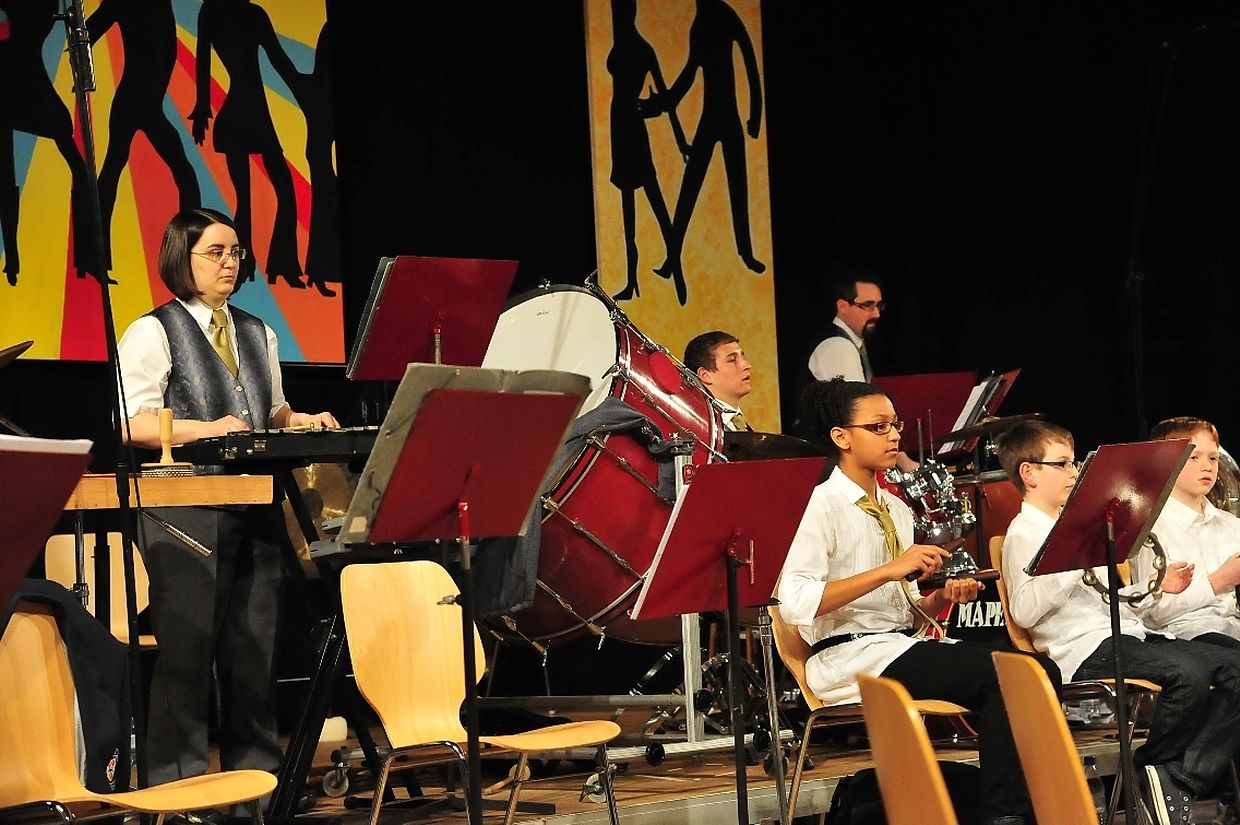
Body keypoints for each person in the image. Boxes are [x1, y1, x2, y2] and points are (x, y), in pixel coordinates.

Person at [116, 208, 338, 790]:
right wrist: (205, 429)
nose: (229, 263)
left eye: (235, 252)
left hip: (255, 502)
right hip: (184, 508)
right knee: (187, 659)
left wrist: (302, 420)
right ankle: (179, 796)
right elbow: (131, 421)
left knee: (253, 659)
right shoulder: (153, 331)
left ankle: (253, 795)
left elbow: (270, 410)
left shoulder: (258, 331)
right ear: (181, 258)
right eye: (215, 252)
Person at [777, 377, 1055, 825]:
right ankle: (1005, 815)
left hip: (895, 645)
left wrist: (942, 596)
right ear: (841, 437)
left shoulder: (896, 508)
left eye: (895, 425)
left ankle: (1011, 805)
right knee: (1006, 677)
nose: (893, 436)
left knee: (1040, 671)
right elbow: (795, 603)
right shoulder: (818, 506)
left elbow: (906, 610)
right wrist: (890, 569)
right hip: (846, 655)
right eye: (879, 427)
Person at [997, 419, 1240, 825]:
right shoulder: (1024, 532)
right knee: (1187, 675)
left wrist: (1154, 586)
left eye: (1074, 463)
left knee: (1234, 666)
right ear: (1029, 473)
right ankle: (1156, 775)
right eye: (1062, 464)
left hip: (1128, 633)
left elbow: (1108, 597)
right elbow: (1024, 610)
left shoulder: (1072, 526)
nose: (1074, 473)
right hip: (1083, 647)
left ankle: (1176, 778)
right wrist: (1073, 557)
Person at [1131, 417, 1240, 650]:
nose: (1207, 466)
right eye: (1194, 457)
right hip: (1184, 635)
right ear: (1163, 463)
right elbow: (1154, 613)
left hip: (1232, 628)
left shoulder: (1230, 525)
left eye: (1213, 458)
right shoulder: (1150, 529)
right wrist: (1221, 579)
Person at [806, 275, 883, 384]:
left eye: (878, 305)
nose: (877, 314)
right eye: (867, 305)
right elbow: (857, 395)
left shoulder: (854, 343)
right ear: (842, 307)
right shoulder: (838, 346)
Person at [683, 330, 751, 431]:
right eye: (732, 360)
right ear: (705, 375)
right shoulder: (696, 428)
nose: (747, 365)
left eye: (742, 357)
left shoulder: (740, 424)